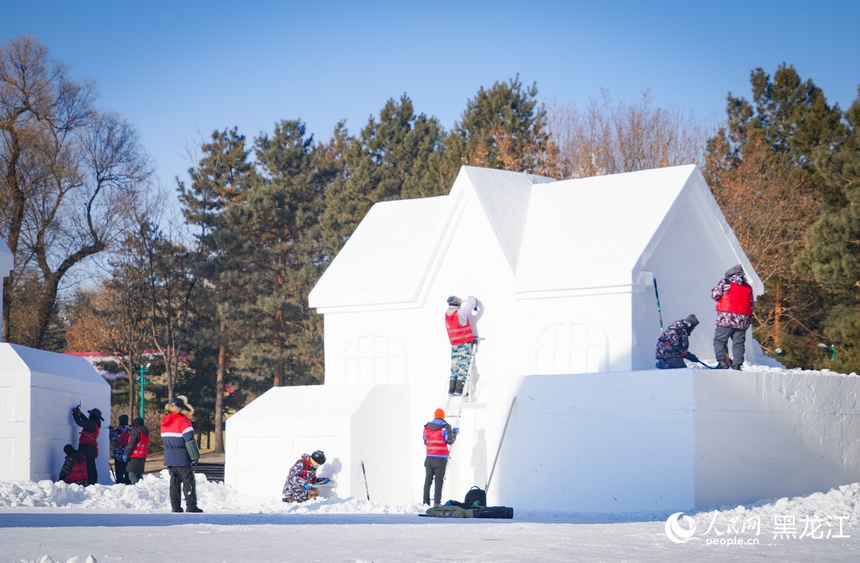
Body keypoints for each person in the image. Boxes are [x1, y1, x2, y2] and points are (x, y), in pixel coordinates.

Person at [160, 396, 203, 513]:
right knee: (188, 480)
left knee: (174, 482)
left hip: (169, 457)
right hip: (182, 457)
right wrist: (194, 456)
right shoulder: (183, 421)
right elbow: (189, 440)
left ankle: (175, 507)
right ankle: (191, 505)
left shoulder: (164, 422)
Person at [711, 264, 754, 370]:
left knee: (720, 340)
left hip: (726, 318)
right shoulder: (748, 287)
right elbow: (751, 304)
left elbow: (714, 295)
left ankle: (722, 362)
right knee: (738, 343)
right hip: (742, 320)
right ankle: (737, 364)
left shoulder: (726, 282)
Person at [445, 295, 483, 395]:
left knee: (455, 366)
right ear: (457, 303)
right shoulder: (460, 312)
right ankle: (459, 389)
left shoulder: (447, 314)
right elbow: (472, 304)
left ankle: (451, 389)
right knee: (463, 365)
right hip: (464, 343)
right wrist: (470, 297)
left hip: (454, 345)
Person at [422, 408, 457, 506]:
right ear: (443, 416)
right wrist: (455, 434)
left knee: (428, 480)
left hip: (429, 458)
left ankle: (425, 502)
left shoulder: (426, 427)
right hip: (440, 459)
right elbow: (450, 441)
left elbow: (425, 441)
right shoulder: (445, 427)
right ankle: (437, 503)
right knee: (438, 481)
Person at [72, 405, 103, 486]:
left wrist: (75, 413)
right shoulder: (95, 424)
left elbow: (79, 422)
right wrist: (80, 414)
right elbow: (86, 421)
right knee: (92, 466)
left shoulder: (91, 424)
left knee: (88, 467)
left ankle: (90, 483)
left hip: (86, 448)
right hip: (91, 448)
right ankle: (94, 483)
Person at [123, 417, 150, 485]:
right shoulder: (145, 432)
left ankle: (136, 489)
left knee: (132, 474)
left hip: (134, 456)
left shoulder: (136, 432)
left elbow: (131, 444)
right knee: (139, 475)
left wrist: (126, 453)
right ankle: (141, 488)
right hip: (142, 456)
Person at [109, 414, 132, 484]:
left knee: (119, 471)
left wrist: (111, 430)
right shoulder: (131, 429)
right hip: (129, 452)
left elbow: (112, 438)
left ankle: (120, 483)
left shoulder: (118, 430)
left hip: (118, 453)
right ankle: (128, 482)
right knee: (128, 470)